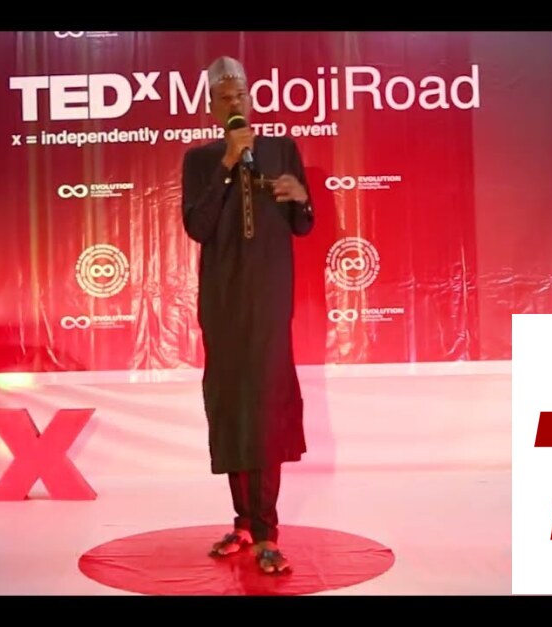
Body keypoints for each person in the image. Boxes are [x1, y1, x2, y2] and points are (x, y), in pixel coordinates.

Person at [179, 56, 314, 575]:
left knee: (265, 409)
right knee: (232, 405)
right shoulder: (200, 160)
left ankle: (267, 532)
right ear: (213, 108)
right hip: (224, 303)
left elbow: (302, 225)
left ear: (251, 99)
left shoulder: (281, 150)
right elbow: (199, 226)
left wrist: (301, 199)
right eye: (225, 98)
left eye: (241, 94)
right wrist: (227, 164)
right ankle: (242, 522)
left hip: (269, 302)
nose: (235, 103)